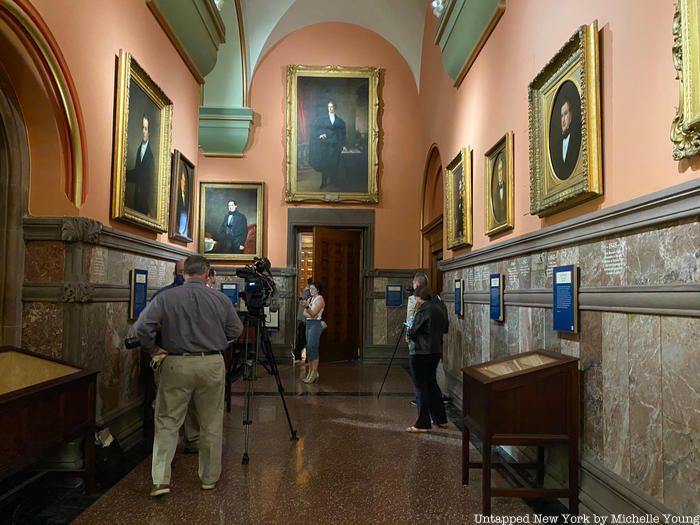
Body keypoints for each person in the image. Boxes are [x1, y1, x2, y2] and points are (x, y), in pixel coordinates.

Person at [134, 255, 243, 497]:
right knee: (211, 423)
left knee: (167, 421)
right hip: (212, 363)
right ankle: (208, 479)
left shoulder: (166, 298)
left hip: (176, 362)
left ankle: (161, 480)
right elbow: (236, 330)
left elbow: (141, 329)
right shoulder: (220, 298)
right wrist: (218, 345)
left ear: (184, 274)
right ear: (206, 274)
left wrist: (154, 349)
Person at [406, 285, 449, 433]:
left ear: (419, 298)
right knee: (432, 384)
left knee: (420, 387)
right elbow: (445, 328)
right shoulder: (439, 308)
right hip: (435, 351)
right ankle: (441, 419)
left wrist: (413, 316)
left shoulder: (423, 310)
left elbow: (412, 333)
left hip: (420, 353)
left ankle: (422, 423)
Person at [309, 100, 346, 189]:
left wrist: (343, 145)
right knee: (325, 164)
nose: (330, 108)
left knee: (334, 164)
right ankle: (324, 182)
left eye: (332, 106)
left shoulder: (340, 121)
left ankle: (334, 181)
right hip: (324, 146)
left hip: (335, 146)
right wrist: (320, 135)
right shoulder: (321, 120)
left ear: (335, 108)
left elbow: (343, 135)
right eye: (328, 107)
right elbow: (314, 130)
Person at [549, 84, 581, 181]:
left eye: (566, 114)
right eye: (561, 116)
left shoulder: (578, 139)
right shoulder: (556, 146)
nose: (563, 120)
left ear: (571, 114)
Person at [126, 114, 155, 216]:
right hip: (137, 201)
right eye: (142, 128)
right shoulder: (139, 149)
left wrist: (149, 209)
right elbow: (137, 174)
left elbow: (151, 184)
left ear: (149, 132)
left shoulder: (151, 156)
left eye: (146, 129)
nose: (143, 131)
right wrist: (124, 174)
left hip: (145, 205)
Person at [302, 281, 325, 383]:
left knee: (313, 347)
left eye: (313, 289)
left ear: (318, 290)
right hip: (309, 323)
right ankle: (311, 372)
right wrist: (309, 312)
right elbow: (306, 314)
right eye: (310, 289)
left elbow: (314, 314)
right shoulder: (310, 299)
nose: (311, 291)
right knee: (309, 349)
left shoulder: (320, 300)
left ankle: (314, 372)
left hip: (315, 325)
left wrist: (307, 308)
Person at [293, 277, 312, 363]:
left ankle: (299, 355)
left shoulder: (305, 291)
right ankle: (298, 355)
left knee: (303, 338)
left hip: (303, 319)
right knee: (303, 338)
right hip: (305, 320)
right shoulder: (308, 292)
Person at [175, 167, 190, 237]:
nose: (184, 182)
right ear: (180, 181)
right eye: (182, 180)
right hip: (177, 222)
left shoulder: (186, 195)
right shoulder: (177, 193)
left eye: (184, 180)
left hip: (184, 223)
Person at [491, 155, 506, 223]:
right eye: (498, 171)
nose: (500, 173)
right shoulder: (494, 194)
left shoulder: (507, 189)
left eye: (501, 170)